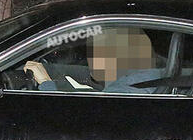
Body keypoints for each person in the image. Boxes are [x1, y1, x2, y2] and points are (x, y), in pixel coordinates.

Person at [24, 28, 164, 93]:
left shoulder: (126, 90)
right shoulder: (145, 76)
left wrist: (46, 83)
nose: (91, 58)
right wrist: (50, 69)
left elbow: (81, 123)